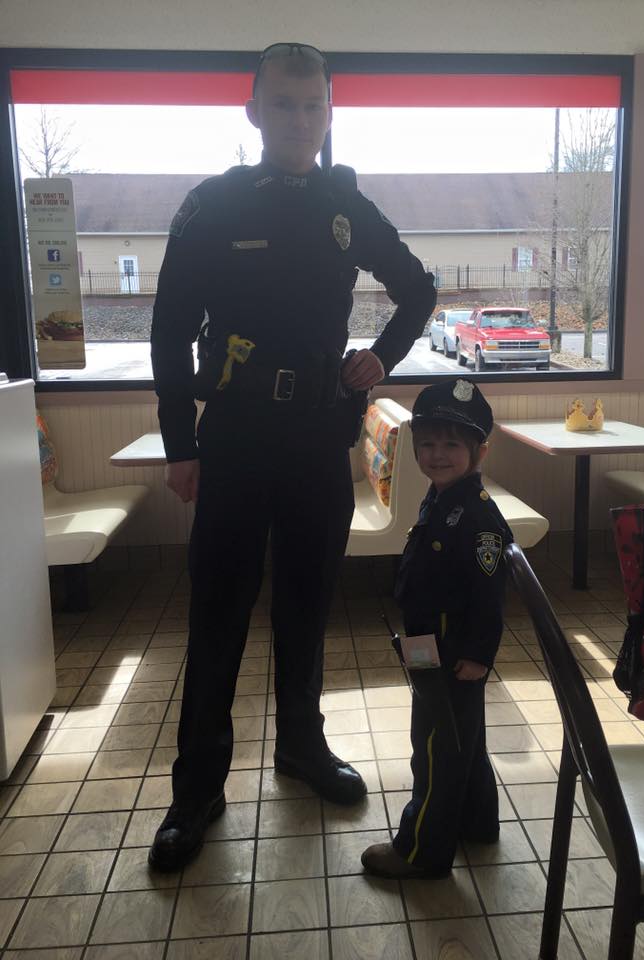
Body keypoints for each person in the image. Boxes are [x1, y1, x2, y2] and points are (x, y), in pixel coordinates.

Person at [148, 42, 437, 871]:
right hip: (234, 436)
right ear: (255, 111)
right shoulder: (213, 205)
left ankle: (302, 749)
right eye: (284, 104)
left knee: (309, 606)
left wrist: (379, 356)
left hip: (318, 435)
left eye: (313, 106)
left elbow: (417, 290)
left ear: (328, 112)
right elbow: (169, 331)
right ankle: (196, 787)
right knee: (218, 616)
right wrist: (179, 443)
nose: (300, 120)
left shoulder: (346, 207)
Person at [361, 378, 513, 879]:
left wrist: (478, 654)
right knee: (461, 740)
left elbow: (491, 596)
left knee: (434, 750)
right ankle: (476, 822)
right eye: (427, 443)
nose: (437, 454)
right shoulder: (441, 497)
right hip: (427, 646)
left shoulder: (479, 517)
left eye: (452, 444)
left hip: (451, 653)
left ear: (480, 451)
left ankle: (420, 851)